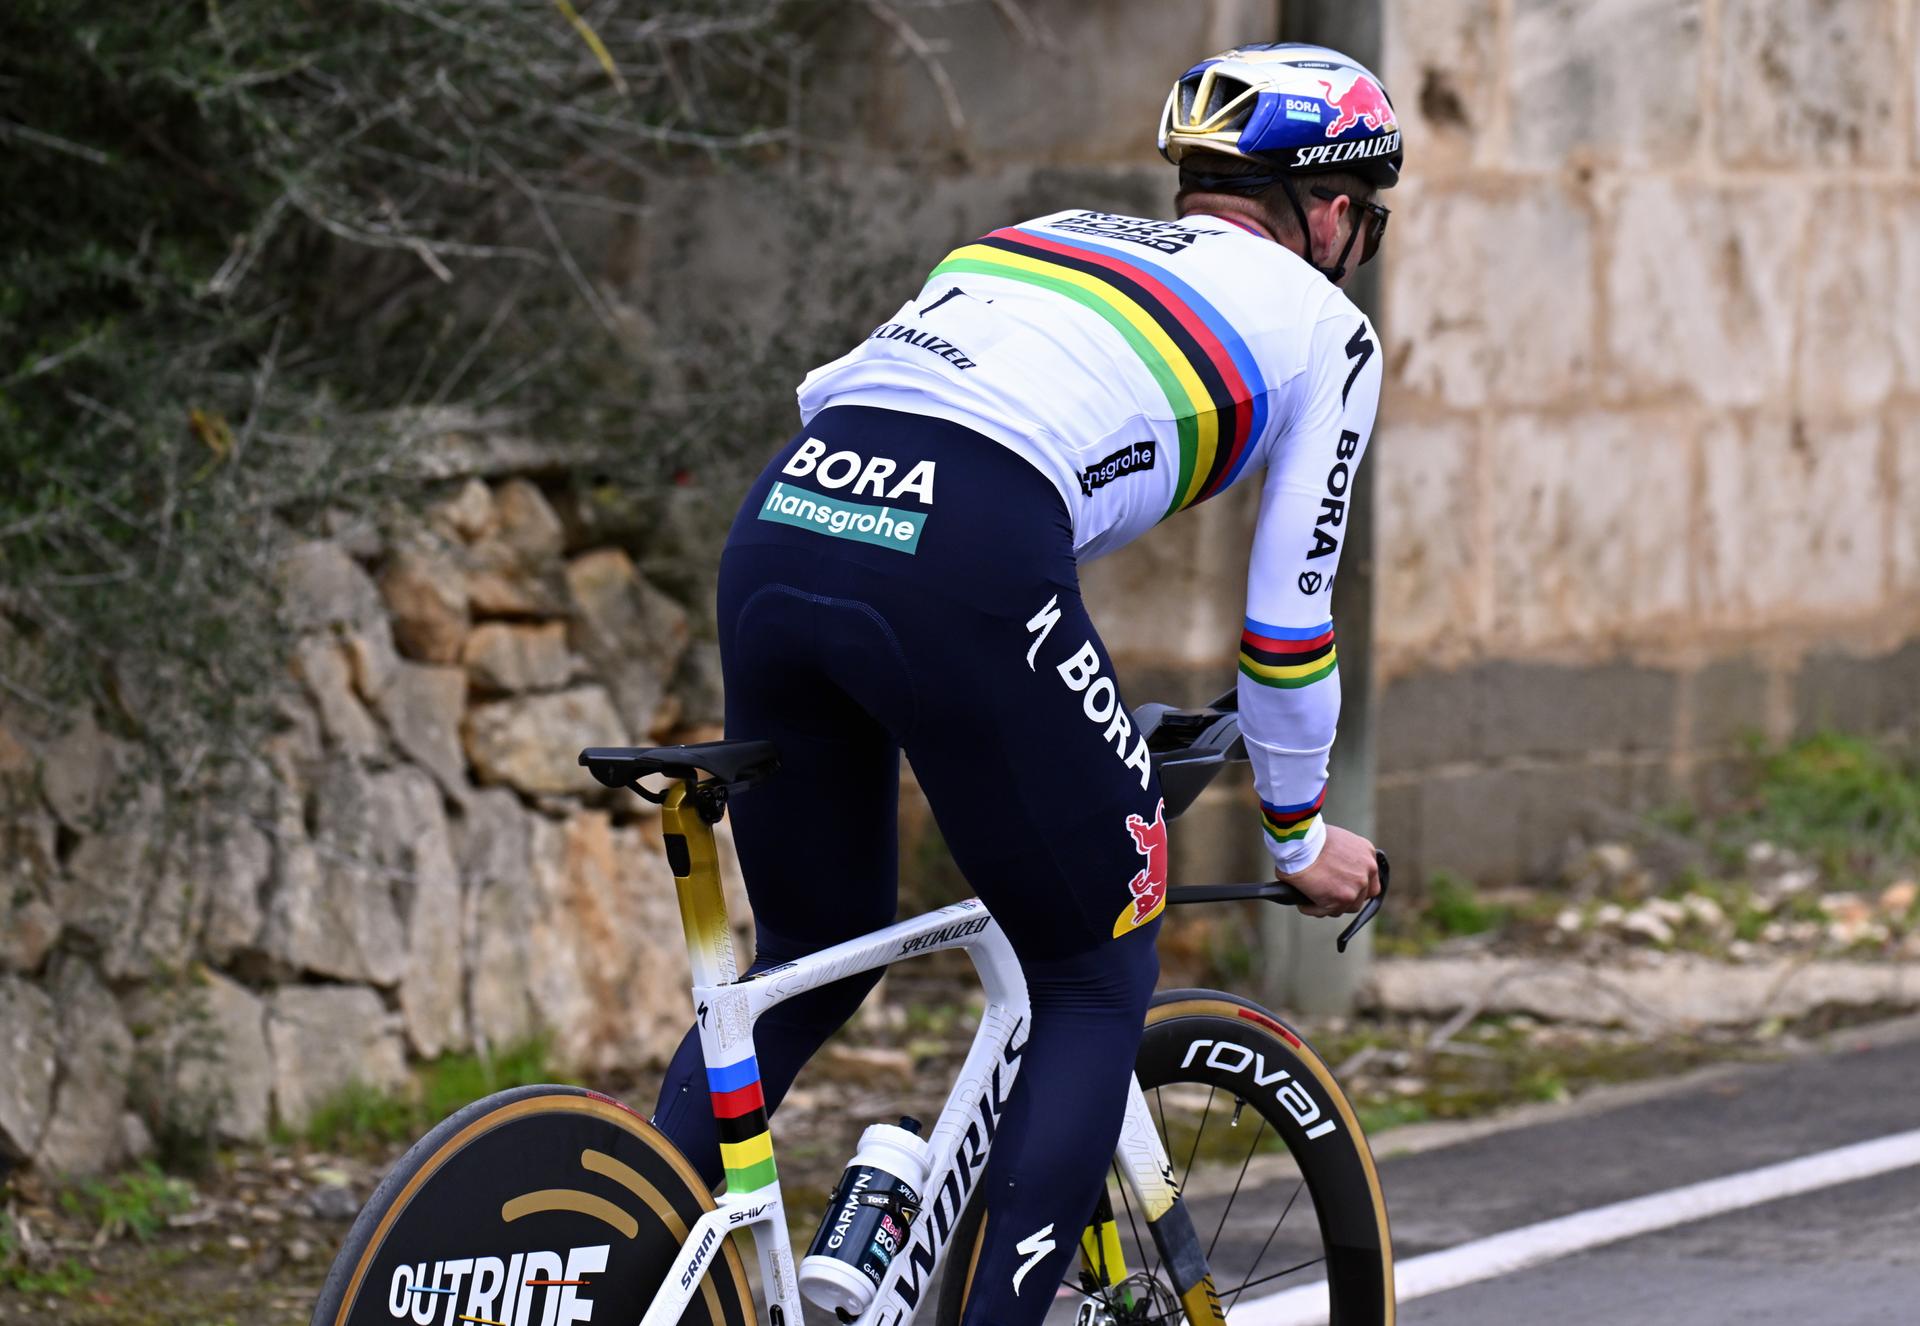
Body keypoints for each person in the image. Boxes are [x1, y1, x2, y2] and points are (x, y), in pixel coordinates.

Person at [652, 41, 1397, 1325]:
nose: (1359, 244)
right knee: (1096, 969)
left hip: (787, 517)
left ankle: (621, 1250)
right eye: (1366, 221)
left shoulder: (1037, 236)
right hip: (961, 556)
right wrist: (1295, 826)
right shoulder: (1327, 329)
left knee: (817, 950)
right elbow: (1284, 627)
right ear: (1330, 212)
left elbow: (939, 426)